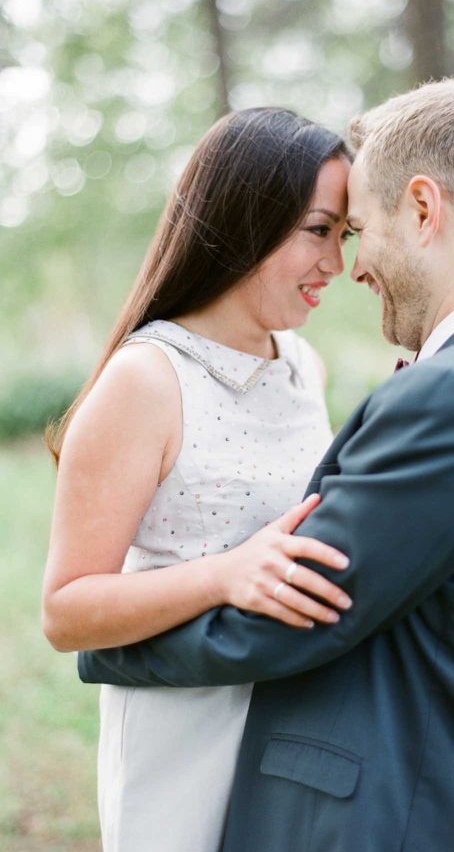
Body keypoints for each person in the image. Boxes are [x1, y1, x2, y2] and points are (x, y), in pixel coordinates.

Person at [79, 80, 454, 851]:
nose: (349, 265)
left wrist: (109, 645)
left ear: (423, 211)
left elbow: (311, 608)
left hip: (389, 811)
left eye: (356, 229)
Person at [41, 107, 357, 851]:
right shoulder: (147, 380)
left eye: (346, 236)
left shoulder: (303, 365)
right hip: (182, 747)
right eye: (318, 230)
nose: (335, 264)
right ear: (248, 216)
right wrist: (224, 577)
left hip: (294, 733)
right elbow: (65, 611)